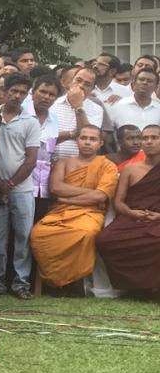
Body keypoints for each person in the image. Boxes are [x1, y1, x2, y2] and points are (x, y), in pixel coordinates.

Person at [30, 125, 119, 289]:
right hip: (60, 212)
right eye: (83, 138)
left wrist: (67, 199)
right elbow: (56, 188)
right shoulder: (63, 163)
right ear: (77, 140)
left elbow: (101, 196)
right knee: (38, 233)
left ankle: (75, 283)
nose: (87, 142)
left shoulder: (107, 166)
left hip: (90, 213)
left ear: (100, 143)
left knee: (86, 233)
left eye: (92, 139)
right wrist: (90, 193)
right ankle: (54, 281)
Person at [0, 73, 40, 299]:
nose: (17, 96)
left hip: (22, 189)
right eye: (14, 91)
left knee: (22, 238)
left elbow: (31, 160)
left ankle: (20, 284)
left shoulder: (30, 121)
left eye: (22, 93)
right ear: (4, 91)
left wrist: (8, 186)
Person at [96, 124, 160, 292]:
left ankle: (154, 287)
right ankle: (130, 287)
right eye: (145, 138)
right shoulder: (130, 169)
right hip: (131, 218)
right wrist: (130, 212)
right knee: (105, 241)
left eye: (154, 138)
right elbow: (118, 202)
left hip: (157, 220)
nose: (148, 142)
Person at [50, 66, 105, 161]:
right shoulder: (53, 104)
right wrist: (72, 134)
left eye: (87, 84)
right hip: (52, 161)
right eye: (78, 80)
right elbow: (48, 136)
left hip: (80, 164)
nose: (81, 85)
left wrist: (78, 107)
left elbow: (88, 134)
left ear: (92, 89)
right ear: (71, 81)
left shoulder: (96, 109)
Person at [30, 75, 61, 222]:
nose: (46, 97)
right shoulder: (21, 114)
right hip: (21, 183)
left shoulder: (54, 119)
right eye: (42, 92)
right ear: (33, 91)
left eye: (51, 94)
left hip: (43, 187)